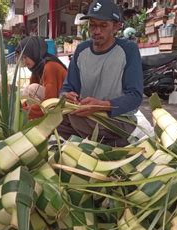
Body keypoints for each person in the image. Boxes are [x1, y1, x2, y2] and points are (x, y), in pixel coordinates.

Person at [59, 0, 143, 147]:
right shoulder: (81, 50)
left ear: (116, 27)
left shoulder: (128, 50)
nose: (96, 31)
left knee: (75, 120)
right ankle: (105, 145)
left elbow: (135, 97)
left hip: (118, 120)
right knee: (53, 117)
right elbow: (67, 88)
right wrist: (67, 96)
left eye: (103, 26)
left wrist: (102, 106)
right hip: (86, 115)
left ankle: (98, 143)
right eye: (92, 25)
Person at [16, 36, 68, 120]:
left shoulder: (50, 66)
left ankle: (40, 121)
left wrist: (29, 111)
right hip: (54, 100)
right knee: (27, 90)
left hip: (62, 104)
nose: (24, 61)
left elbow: (51, 99)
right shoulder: (38, 67)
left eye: (26, 57)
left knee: (32, 89)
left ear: (34, 52)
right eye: (23, 58)